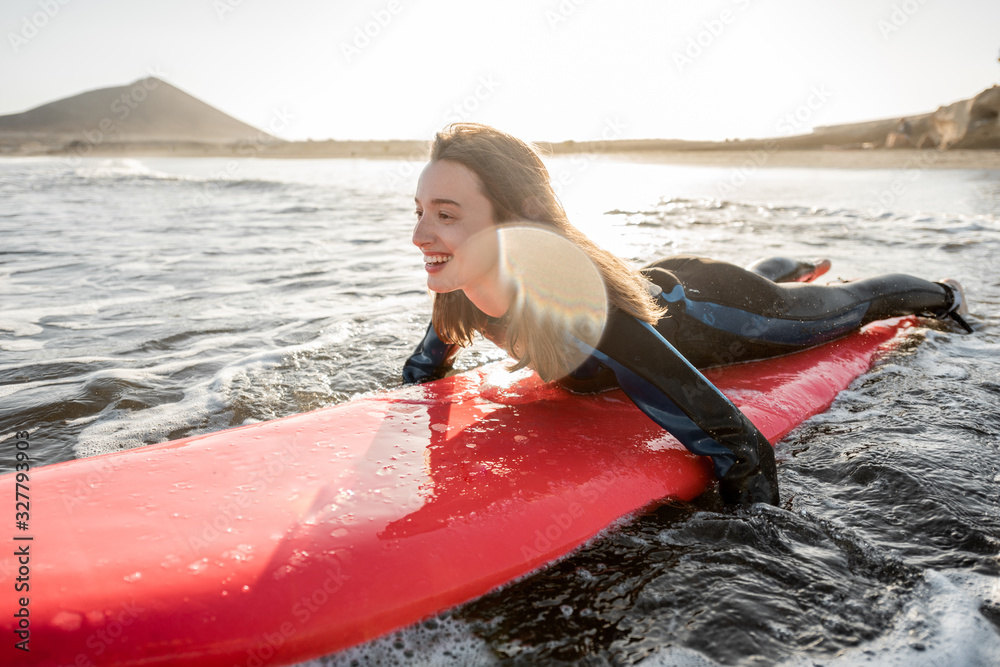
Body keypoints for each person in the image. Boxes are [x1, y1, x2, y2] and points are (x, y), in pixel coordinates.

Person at [402, 123, 972, 508]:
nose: (419, 235)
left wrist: (748, 566)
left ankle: (945, 292)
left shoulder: (587, 316)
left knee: (850, 308)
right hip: (661, 283)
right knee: (763, 284)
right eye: (421, 211)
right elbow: (424, 369)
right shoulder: (459, 285)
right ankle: (788, 264)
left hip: (720, 311)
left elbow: (741, 450)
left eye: (446, 215)